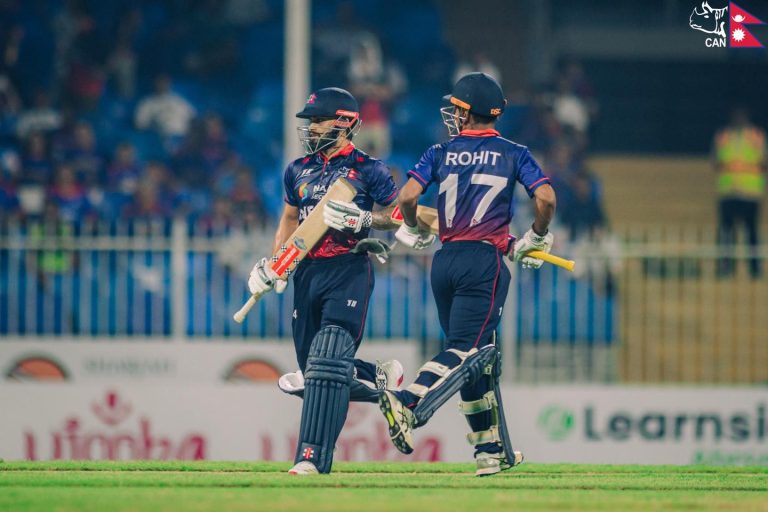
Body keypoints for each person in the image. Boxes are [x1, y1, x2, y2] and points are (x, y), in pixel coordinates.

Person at [379, 73, 557, 476]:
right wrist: (536, 237)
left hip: (445, 261)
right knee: (467, 351)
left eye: (456, 108)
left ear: (466, 111)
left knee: (479, 358)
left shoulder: (440, 151)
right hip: (483, 263)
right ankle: (408, 401)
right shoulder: (514, 152)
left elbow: (407, 196)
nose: (452, 114)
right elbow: (546, 198)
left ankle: (490, 450)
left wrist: (412, 228)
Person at [245, 87, 404, 475]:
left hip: (348, 268)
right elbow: (289, 219)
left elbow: (400, 216)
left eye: (318, 120)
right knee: (313, 373)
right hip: (307, 272)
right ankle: (376, 377)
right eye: (310, 121)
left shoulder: (369, 169)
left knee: (327, 361)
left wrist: (365, 220)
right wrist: (274, 264)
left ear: (345, 122)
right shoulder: (297, 169)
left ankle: (311, 458)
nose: (311, 128)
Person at [713, 107, 767, 278]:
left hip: (750, 193)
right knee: (726, 233)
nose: (738, 119)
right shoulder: (723, 137)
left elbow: (764, 162)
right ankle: (725, 267)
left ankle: (755, 268)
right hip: (728, 192)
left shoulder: (756, 137)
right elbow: (716, 162)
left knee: (752, 233)